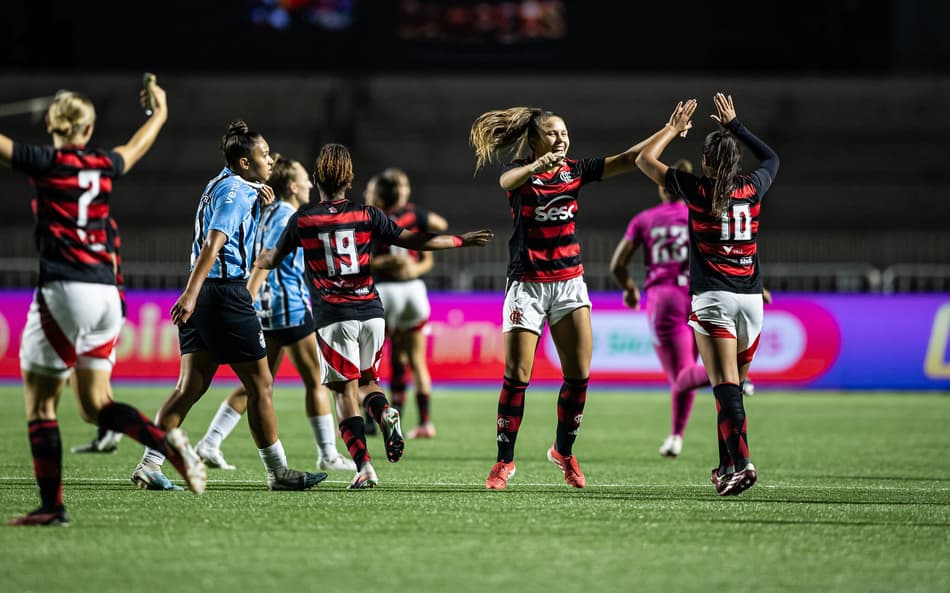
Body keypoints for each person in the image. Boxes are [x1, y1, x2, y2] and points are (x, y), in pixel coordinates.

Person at [1, 80, 206, 526]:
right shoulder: (102, 163)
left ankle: (53, 507)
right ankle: (166, 443)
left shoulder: (46, 161)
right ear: (89, 127)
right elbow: (135, 147)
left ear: (53, 124)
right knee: (95, 405)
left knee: (41, 406)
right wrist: (161, 113)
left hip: (64, 290)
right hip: (107, 297)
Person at [256, 143, 493, 489]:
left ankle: (364, 467)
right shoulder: (368, 214)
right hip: (372, 312)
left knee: (343, 394)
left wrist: (257, 257)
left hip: (334, 317)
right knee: (369, 383)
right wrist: (460, 241)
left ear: (318, 178)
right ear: (349, 180)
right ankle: (384, 412)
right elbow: (414, 240)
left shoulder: (303, 219)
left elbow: (273, 260)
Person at [469, 106, 668, 490]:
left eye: (564, 133)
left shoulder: (574, 171)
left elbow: (629, 160)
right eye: (554, 134)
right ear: (536, 139)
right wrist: (536, 165)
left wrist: (669, 129)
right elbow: (506, 182)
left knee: (578, 375)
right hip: (526, 284)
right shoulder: (521, 173)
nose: (562, 139)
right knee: (517, 376)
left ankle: (564, 451)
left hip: (569, 283)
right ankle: (504, 462)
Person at [131, 120, 326, 492]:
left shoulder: (224, 185)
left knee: (190, 386)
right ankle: (278, 472)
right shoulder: (237, 190)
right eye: (263, 154)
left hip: (206, 292)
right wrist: (191, 293)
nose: (270, 159)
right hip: (223, 293)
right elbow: (214, 242)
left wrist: (193, 293)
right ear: (242, 162)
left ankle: (149, 464)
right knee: (261, 384)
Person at [634, 93, 780, 496]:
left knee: (724, 387)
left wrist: (672, 129)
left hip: (714, 298)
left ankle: (744, 463)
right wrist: (737, 126)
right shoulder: (752, 188)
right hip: (751, 301)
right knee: (731, 389)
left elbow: (644, 160)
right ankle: (725, 466)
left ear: (706, 163)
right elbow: (772, 159)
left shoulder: (697, 190)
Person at [193, 156, 355, 473]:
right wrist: (248, 298)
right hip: (287, 306)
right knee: (316, 381)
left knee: (259, 383)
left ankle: (210, 442)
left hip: (268, 309)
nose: (310, 183)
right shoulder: (285, 215)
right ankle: (328, 454)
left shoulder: (268, 212)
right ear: (293, 186)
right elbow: (263, 261)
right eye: (304, 178)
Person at [365, 167, 449, 439]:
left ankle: (372, 414)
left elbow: (363, 258)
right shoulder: (414, 214)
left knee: (370, 359)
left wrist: (382, 261)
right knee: (413, 359)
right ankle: (425, 422)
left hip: (383, 289)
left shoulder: (371, 216)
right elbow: (441, 225)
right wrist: (418, 260)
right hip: (413, 289)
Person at [70, 216, 126, 454]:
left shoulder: (96, 222)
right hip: (107, 301)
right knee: (97, 382)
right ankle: (108, 431)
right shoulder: (103, 220)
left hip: (99, 302)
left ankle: (120, 426)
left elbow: (109, 263)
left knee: (88, 400)